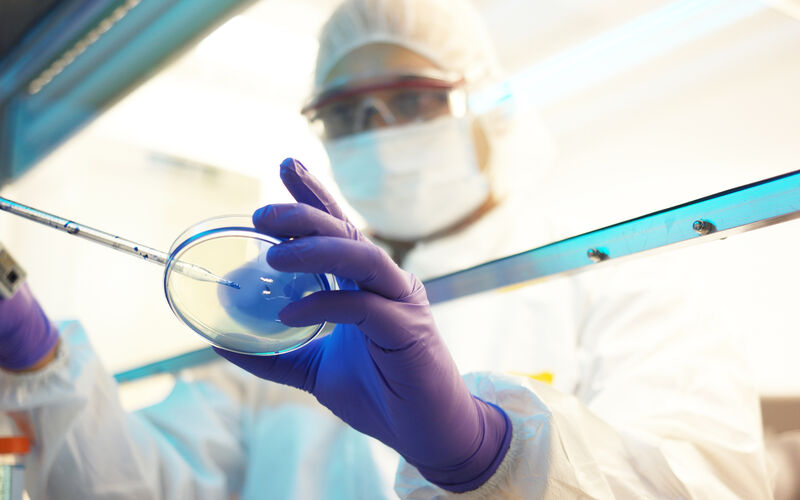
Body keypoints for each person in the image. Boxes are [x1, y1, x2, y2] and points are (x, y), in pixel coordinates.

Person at [0, 0, 774, 498]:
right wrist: (38, 359)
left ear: (487, 111)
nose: (375, 132)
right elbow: (145, 485)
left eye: (409, 100)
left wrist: (491, 454)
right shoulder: (296, 308)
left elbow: (707, 480)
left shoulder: (615, 279)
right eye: (345, 114)